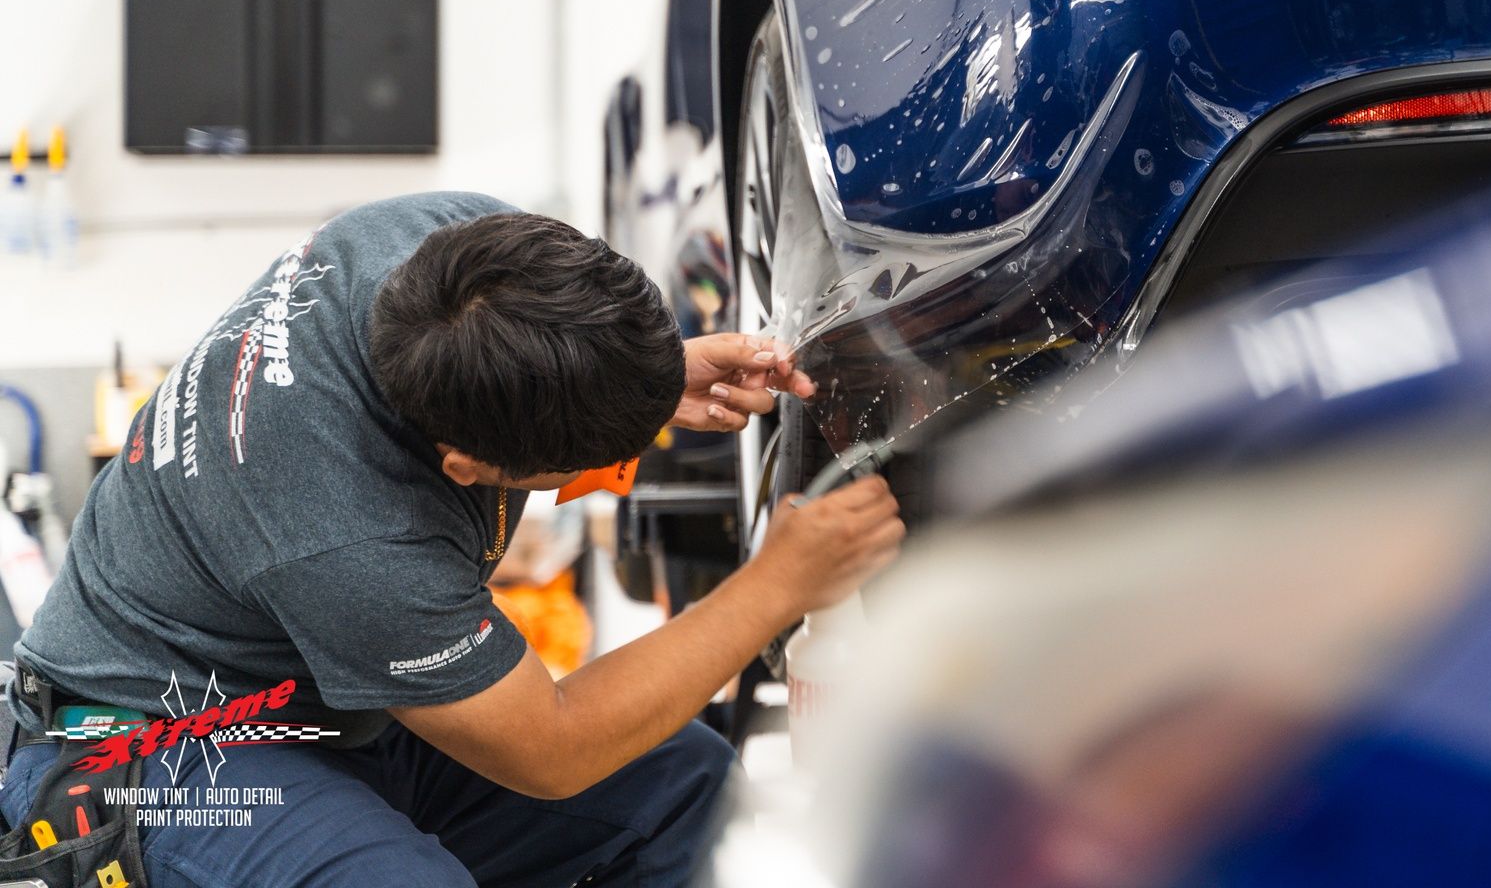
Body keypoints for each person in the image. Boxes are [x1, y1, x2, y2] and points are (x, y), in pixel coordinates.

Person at [1, 192, 903, 886]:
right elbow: (554, 749)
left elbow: (542, 342)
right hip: (152, 748)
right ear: (463, 466)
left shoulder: (450, 250)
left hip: (319, 705)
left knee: (684, 784)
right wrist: (775, 586)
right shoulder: (346, 530)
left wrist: (650, 375)